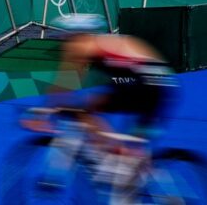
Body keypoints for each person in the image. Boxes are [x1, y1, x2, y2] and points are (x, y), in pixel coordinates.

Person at [34, 14, 177, 140]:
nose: (62, 40)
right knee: (133, 139)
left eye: (64, 35)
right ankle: (122, 156)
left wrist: (43, 113)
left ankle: (116, 153)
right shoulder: (101, 42)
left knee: (85, 110)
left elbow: (64, 85)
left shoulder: (81, 46)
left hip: (146, 83)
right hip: (154, 80)